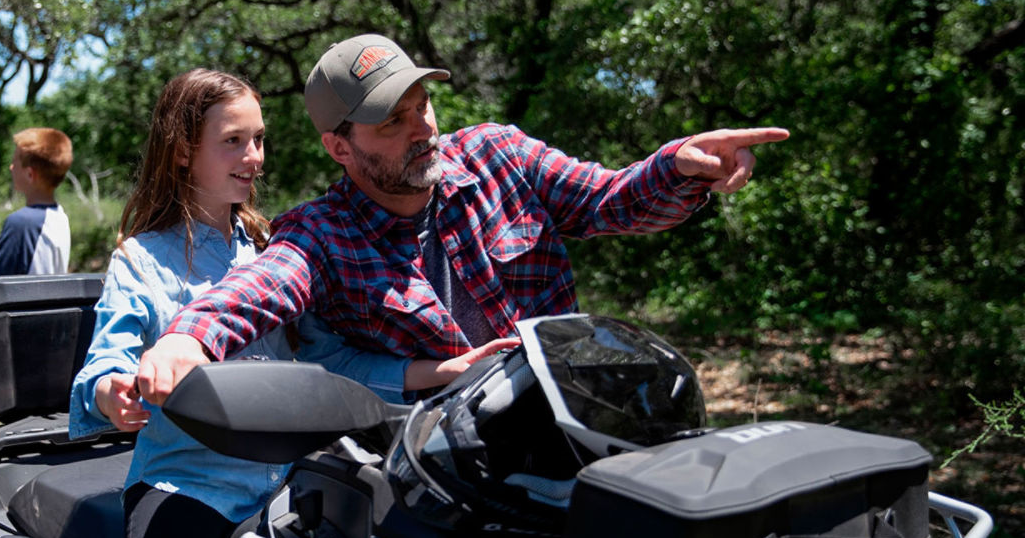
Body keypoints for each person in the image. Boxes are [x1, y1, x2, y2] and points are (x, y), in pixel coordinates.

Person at [69, 69, 504, 538]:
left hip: (291, 481)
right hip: (190, 488)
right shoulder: (141, 262)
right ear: (181, 153)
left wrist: (437, 372)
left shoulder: (279, 247)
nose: (254, 157)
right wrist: (114, 394)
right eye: (233, 141)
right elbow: (101, 370)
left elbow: (331, 364)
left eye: (259, 138)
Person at [135, 33, 790, 403]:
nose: (423, 128)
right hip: (451, 462)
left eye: (423, 104)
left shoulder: (499, 155)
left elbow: (609, 201)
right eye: (393, 120)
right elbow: (261, 285)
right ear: (341, 148)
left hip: (578, 408)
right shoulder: (321, 232)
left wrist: (679, 167)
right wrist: (187, 340)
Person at [0, 128, 74, 277]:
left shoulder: (23, 223)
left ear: (30, 174)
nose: (11, 167)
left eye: (15, 161)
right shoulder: (59, 216)